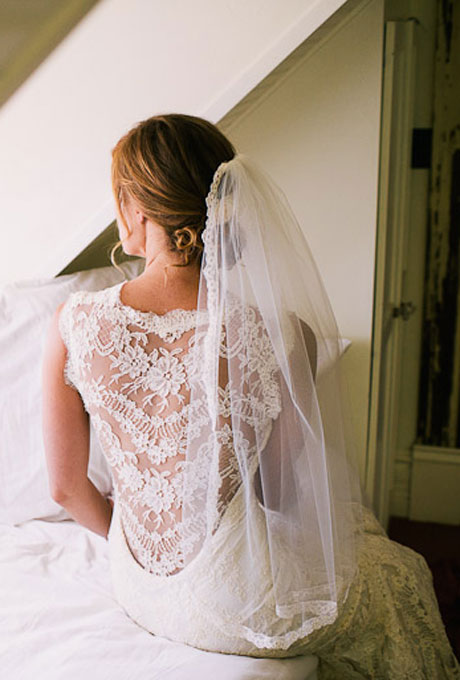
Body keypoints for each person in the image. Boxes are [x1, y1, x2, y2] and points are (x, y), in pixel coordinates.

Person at [42, 113, 459, 678]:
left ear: (138, 208)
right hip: (233, 603)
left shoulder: (72, 324)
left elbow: (66, 488)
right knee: (400, 574)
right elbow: (276, 492)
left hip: (136, 587)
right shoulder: (283, 335)